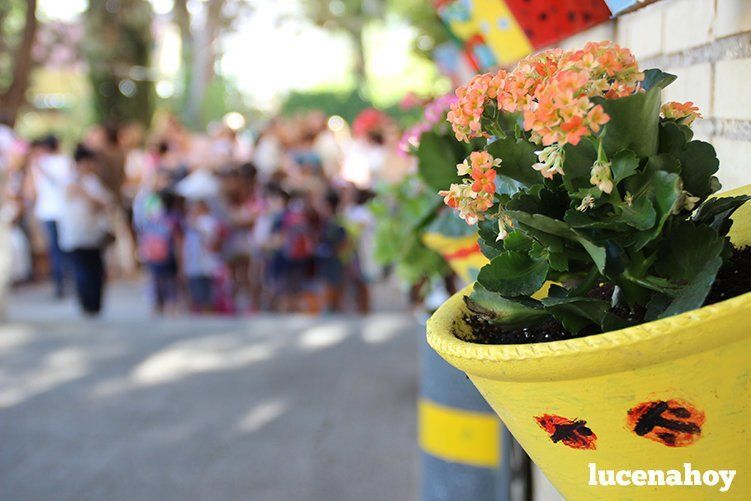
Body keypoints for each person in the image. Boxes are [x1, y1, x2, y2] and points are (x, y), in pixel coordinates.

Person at [58, 144, 113, 315]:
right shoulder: (70, 181)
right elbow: (95, 202)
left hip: (93, 234)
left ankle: (95, 304)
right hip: (76, 234)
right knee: (83, 271)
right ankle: (87, 305)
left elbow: (105, 203)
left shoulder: (92, 181)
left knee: (96, 270)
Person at [29, 135, 72, 298]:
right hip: (57, 210)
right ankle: (63, 281)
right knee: (62, 247)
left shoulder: (44, 163)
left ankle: (61, 282)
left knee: (56, 248)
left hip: (52, 210)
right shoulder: (61, 162)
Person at [135, 190, 182, 315]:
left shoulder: (153, 218)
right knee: (170, 280)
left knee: (156, 280)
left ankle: (157, 304)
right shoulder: (174, 218)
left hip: (154, 256)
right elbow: (178, 240)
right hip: (168, 255)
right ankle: (170, 305)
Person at [182, 199, 221, 312]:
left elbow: (211, 239)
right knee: (195, 287)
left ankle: (208, 309)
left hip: (205, 261)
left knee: (207, 287)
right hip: (194, 261)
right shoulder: (191, 221)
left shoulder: (208, 221)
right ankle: (198, 308)